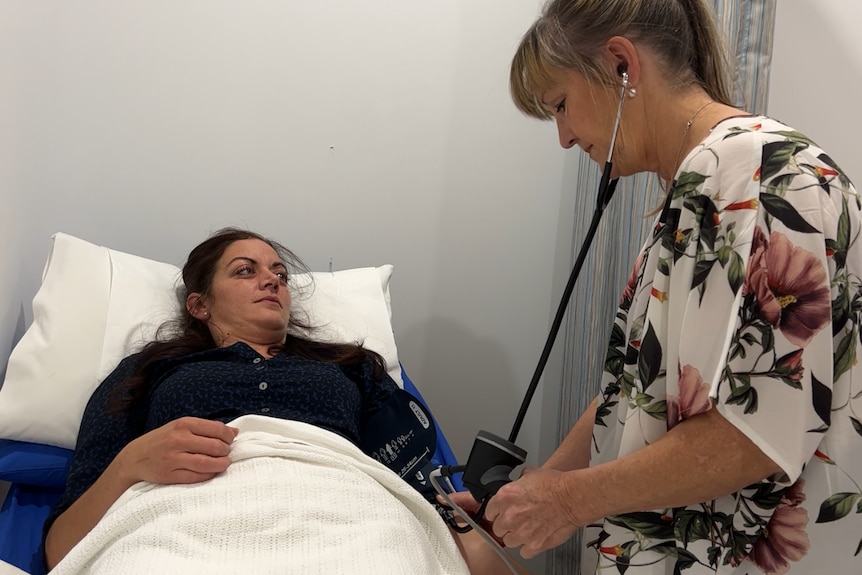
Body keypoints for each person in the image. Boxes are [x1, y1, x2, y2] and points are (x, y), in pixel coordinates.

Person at [450, 0, 862, 573]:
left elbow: (756, 435)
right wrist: (539, 487)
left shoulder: (770, 178)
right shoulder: (701, 186)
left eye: (562, 106)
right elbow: (638, 393)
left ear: (621, 65)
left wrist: (570, 500)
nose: (565, 139)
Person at [43, 227, 526, 574]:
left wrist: (474, 539)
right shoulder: (147, 373)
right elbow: (62, 548)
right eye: (245, 271)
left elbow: (412, 480)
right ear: (199, 304)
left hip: (353, 516)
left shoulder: (351, 367)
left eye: (278, 273)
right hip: (175, 521)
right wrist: (131, 463)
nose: (271, 280)